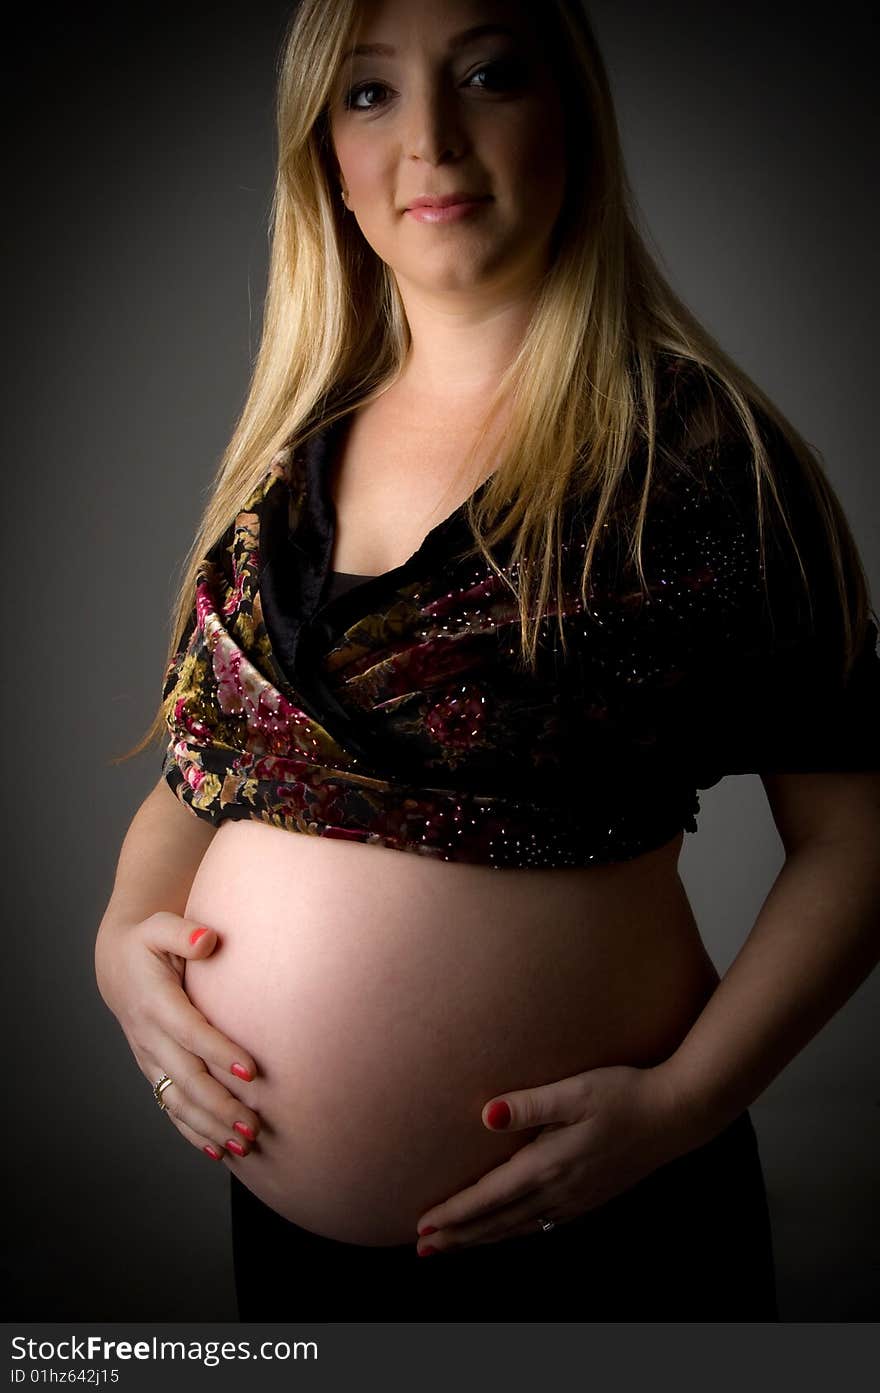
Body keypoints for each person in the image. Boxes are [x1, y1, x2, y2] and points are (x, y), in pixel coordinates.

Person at [94, 0, 880, 1323]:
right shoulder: (283, 472)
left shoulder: (700, 462)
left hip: (607, 1227)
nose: (432, 139)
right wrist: (120, 945)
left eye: (490, 76)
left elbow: (861, 833)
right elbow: (205, 781)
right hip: (295, 1256)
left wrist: (687, 1105)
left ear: (568, 113)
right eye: (369, 94)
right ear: (324, 161)